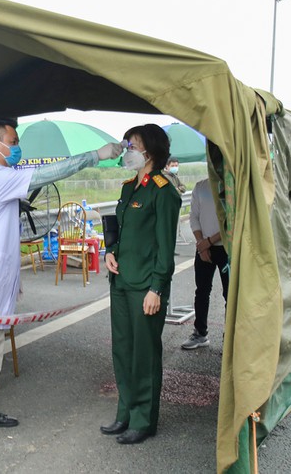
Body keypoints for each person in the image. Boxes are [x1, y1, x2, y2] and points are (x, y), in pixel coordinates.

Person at [0, 117, 124, 451]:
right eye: (13, 142)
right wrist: (93, 156)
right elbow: (47, 174)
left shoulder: (6, 177)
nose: (17, 148)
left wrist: (14, 280)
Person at [101, 124, 181, 445]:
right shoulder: (127, 188)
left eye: (132, 145)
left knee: (144, 354)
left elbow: (165, 245)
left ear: (150, 151)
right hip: (120, 282)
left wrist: (156, 288)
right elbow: (123, 232)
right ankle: (125, 412)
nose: (127, 150)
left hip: (146, 286)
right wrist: (110, 251)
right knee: (122, 350)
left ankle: (143, 419)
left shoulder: (163, 191)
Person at [181, 179, 229, 350]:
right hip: (203, 248)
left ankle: (230, 339)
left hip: (227, 248)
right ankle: (200, 333)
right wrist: (202, 243)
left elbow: (231, 222)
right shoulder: (200, 186)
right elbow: (194, 217)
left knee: (230, 295)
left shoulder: (231, 185)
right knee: (201, 291)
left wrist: (208, 242)